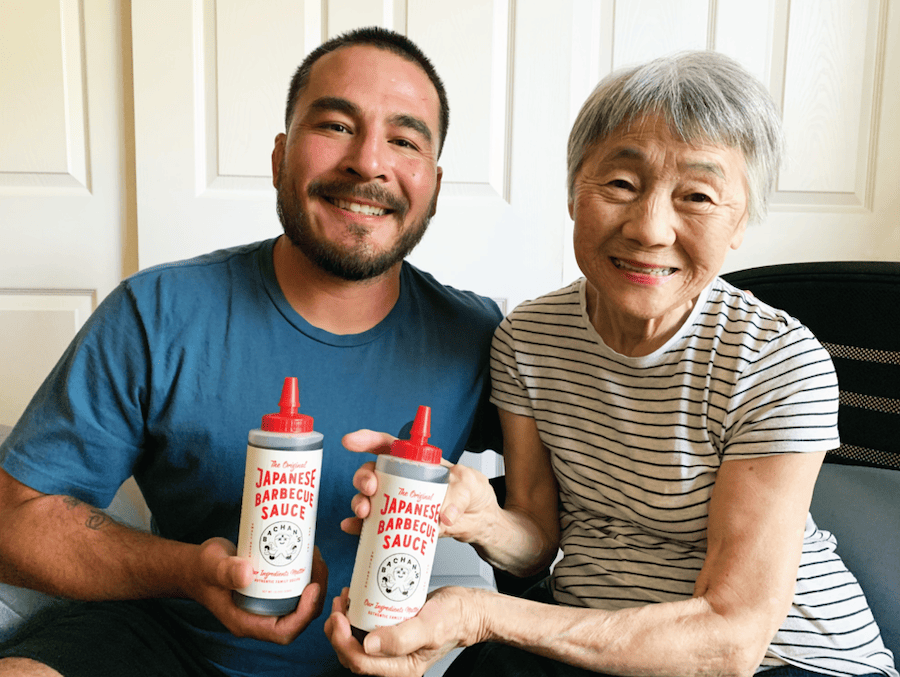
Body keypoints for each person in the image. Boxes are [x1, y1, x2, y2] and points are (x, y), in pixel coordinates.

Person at [325, 51, 899, 677]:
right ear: (574, 193)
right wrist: (482, 519)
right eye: (621, 185)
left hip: (787, 661)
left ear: (740, 224)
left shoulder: (777, 363)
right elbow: (536, 547)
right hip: (593, 647)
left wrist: (478, 614)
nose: (651, 228)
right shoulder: (528, 340)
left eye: (699, 196)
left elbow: (731, 639)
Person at [0, 27, 502, 677]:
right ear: (279, 157)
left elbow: (562, 519)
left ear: (432, 185)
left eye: (403, 139)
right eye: (336, 125)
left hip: (368, 661)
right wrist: (189, 570)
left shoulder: (477, 336)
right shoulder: (157, 311)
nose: (369, 161)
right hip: (161, 638)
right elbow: (15, 524)